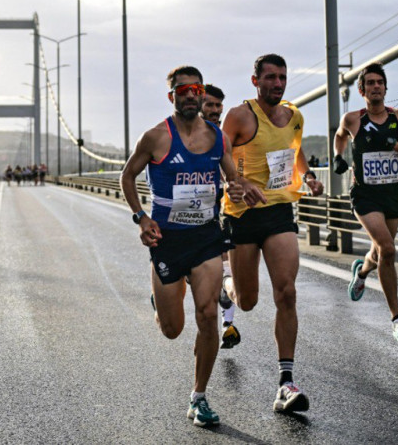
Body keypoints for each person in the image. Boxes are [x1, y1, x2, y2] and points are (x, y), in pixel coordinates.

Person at [120, 65, 259, 428]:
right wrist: (141, 218)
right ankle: (162, 296)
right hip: (168, 240)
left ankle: (199, 396)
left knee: (209, 315)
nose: (190, 95)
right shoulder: (155, 138)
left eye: (195, 89)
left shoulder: (217, 138)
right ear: (172, 97)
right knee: (172, 329)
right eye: (182, 90)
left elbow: (231, 179)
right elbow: (127, 176)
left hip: (206, 237)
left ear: (201, 94)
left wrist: (239, 188)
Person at [221, 54, 323, 414]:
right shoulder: (239, 115)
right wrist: (236, 182)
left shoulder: (294, 115)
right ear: (255, 81)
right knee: (247, 301)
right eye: (270, 78)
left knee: (287, 291)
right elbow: (219, 153)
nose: (277, 84)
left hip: (280, 210)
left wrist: (308, 176)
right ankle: (226, 288)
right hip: (243, 215)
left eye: (282, 78)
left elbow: (294, 153)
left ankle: (286, 383)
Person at [333, 61, 398, 341]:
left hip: (393, 193)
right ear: (362, 90)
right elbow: (339, 136)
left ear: (385, 88)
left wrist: (391, 143)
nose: (375, 87)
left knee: (381, 252)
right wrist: (339, 156)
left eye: (379, 82)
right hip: (365, 194)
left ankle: (362, 271)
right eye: (370, 83)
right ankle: (397, 319)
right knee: (388, 248)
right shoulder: (353, 119)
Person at [201, 84, 240, 350]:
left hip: (219, 213)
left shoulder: (223, 137)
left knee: (225, 268)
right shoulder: (180, 137)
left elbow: (230, 173)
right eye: (210, 105)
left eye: (218, 106)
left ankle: (228, 325)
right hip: (186, 221)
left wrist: (236, 187)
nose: (215, 111)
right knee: (200, 276)